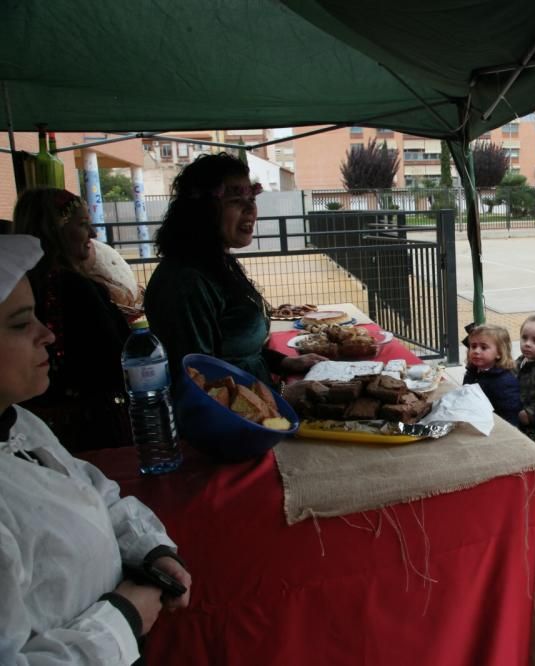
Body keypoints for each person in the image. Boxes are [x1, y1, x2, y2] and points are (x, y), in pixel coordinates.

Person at [0, 234, 192, 665]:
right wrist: (123, 618)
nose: (47, 334)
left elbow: (93, 491)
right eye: (19, 323)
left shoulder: (19, 425)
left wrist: (149, 549)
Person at [143, 153, 323, 389]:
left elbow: (238, 354)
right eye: (236, 199)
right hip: (235, 422)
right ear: (203, 210)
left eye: (252, 197)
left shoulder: (216, 262)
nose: (251, 209)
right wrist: (285, 395)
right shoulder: (186, 282)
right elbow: (200, 382)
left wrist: (285, 362)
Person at [13, 188, 133, 452]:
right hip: (89, 429)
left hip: (35, 426)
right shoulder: (76, 287)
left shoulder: (21, 285)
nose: (93, 234)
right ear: (54, 231)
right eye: (82, 225)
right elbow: (116, 360)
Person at [463, 324, 521, 425]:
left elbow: (509, 414)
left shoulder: (504, 381)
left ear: (499, 353)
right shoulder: (472, 372)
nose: (476, 351)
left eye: (483, 347)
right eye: (473, 346)